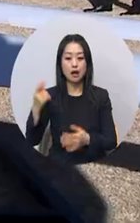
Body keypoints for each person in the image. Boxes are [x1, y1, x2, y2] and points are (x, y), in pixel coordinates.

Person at [25, 33, 117, 164]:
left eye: (80, 58)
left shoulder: (101, 96)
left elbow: (111, 141)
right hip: (58, 167)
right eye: (68, 58)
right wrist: (36, 111)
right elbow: (33, 140)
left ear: (87, 62)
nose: (75, 64)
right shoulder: (50, 96)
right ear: (60, 64)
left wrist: (86, 139)